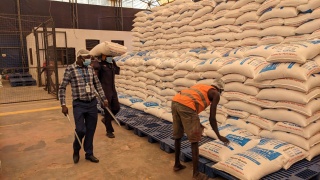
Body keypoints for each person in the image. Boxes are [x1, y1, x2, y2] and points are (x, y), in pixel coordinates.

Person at [171, 79, 230, 179]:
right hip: (187, 106)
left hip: (175, 101)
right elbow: (212, 118)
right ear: (220, 90)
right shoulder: (216, 94)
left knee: (178, 135)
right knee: (195, 140)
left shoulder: (202, 86)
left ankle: (177, 164)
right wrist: (219, 136)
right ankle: (196, 174)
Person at [58, 49, 108, 164]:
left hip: (92, 103)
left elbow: (98, 84)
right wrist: (63, 104)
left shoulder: (90, 69)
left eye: (89, 58)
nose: (89, 60)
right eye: (86, 58)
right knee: (80, 130)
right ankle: (76, 149)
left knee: (90, 130)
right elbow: (62, 87)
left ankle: (89, 153)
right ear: (79, 58)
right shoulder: (71, 69)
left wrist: (103, 98)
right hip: (79, 104)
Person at [92, 54, 120, 138]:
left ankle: (106, 120)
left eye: (111, 56)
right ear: (103, 56)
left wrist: (114, 63)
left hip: (112, 89)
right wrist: (97, 62)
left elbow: (117, 72)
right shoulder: (100, 65)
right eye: (107, 56)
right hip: (104, 90)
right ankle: (109, 131)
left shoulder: (111, 64)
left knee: (116, 108)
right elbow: (95, 73)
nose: (110, 57)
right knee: (108, 110)